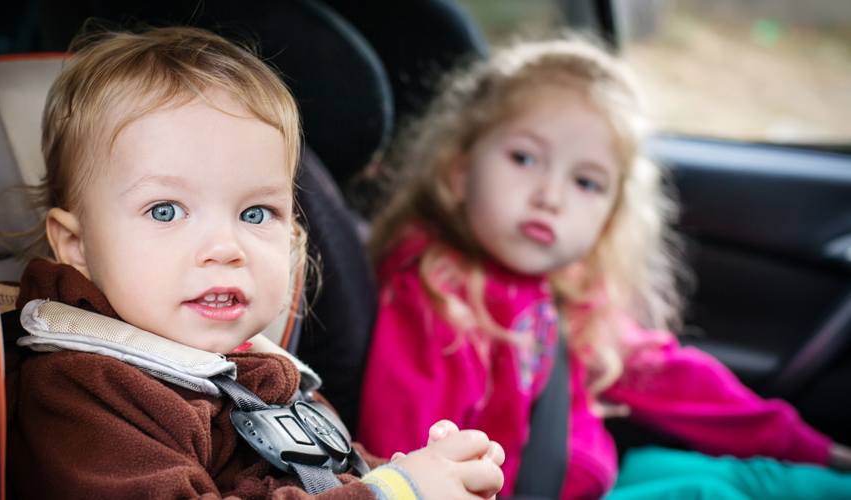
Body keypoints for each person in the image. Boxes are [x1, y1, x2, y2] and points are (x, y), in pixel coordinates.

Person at [4, 26, 505, 500]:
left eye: (255, 212)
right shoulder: (86, 389)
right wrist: (392, 491)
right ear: (76, 247)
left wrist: (422, 472)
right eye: (165, 211)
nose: (226, 247)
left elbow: (329, 477)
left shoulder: (269, 372)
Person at [356, 38, 851, 500]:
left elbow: (678, 382)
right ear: (459, 172)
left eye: (587, 183)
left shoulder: (562, 290)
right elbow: (412, 464)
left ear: (610, 215)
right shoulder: (437, 298)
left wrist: (814, 448)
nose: (550, 196)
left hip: (593, 474)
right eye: (524, 158)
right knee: (720, 491)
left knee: (756, 478)